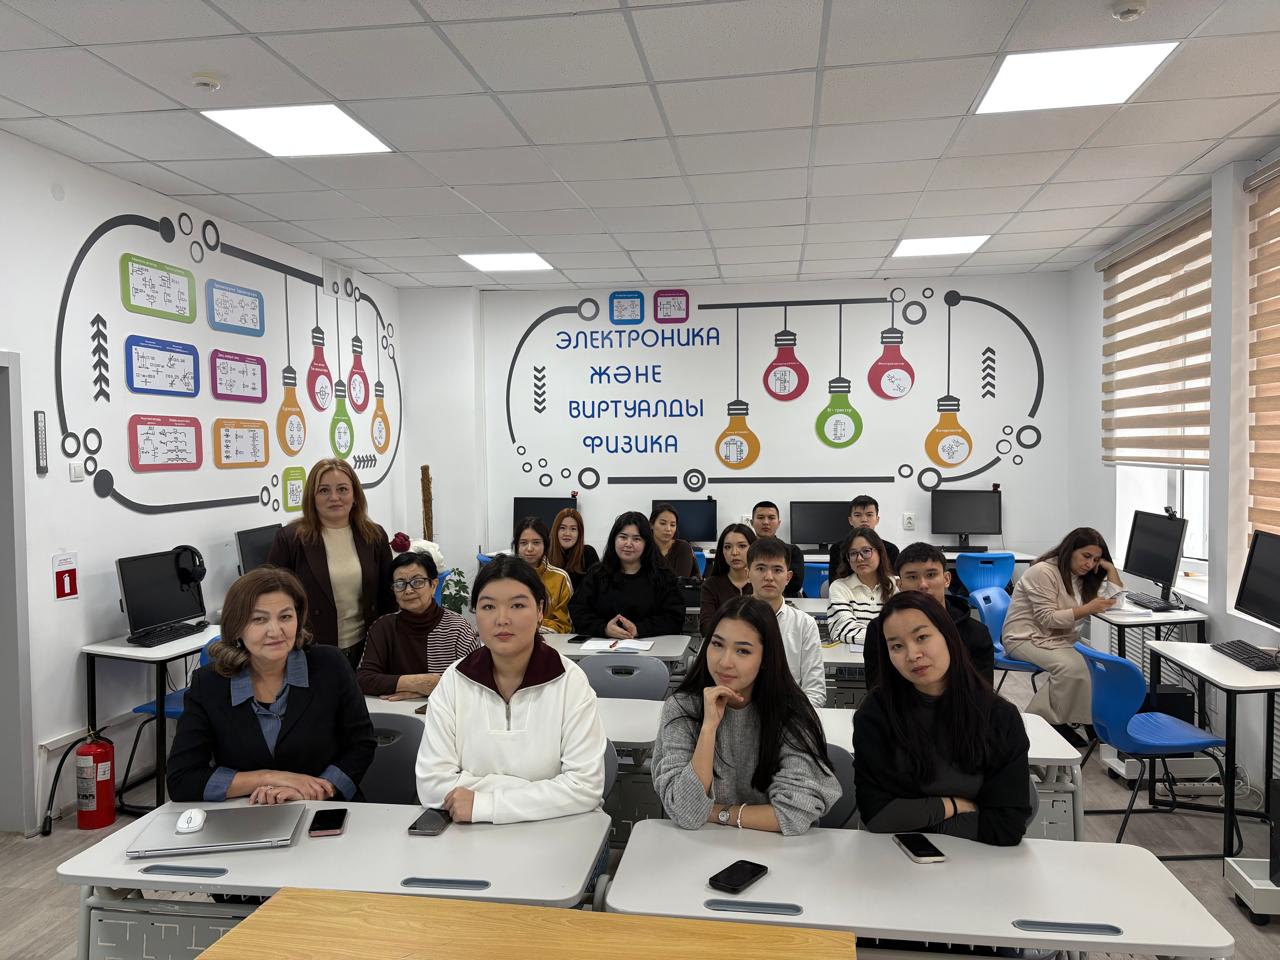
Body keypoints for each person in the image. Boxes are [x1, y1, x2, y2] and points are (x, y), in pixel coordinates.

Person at [416, 555, 606, 823]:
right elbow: (431, 784)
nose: (502, 619)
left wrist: (485, 803)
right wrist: (546, 791)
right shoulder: (455, 680)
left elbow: (585, 787)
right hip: (470, 837)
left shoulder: (569, 681)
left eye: (517, 605)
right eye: (488, 606)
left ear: (540, 611)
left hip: (556, 833)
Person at [167, 567, 376, 804]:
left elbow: (361, 744)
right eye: (259, 619)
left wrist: (317, 789)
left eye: (285, 617)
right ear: (236, 627)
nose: (275, 631)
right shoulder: (209, 684)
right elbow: (182, 779)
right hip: (249, 813)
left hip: (325, 808)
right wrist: (270, 778)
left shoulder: (329, 664)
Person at [652, 596, 841, 835]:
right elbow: (685, 810)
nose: (725, 662)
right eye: (717, 644)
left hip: (776, 848)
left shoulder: (792, 712)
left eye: (743, 651)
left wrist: (718, 813)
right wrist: (708, 728)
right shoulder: (682, 707)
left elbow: (795, 812)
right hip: (702, 846)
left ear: (765, 659)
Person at [854, 591, 1031, 846]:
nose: (912, 654)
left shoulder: (999, 717)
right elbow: (878, 816)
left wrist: (918, 818)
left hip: (980, 860)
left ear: (948, 635)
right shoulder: (875, 714)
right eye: (896, 646)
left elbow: (1007, 826)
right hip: (896, 857)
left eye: (922, 637)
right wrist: (952, 806)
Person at [266, 457, 394, 668]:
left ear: (355, 495)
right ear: (312, 497)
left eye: (342, 489)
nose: (334, 497)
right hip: (312, 649)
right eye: (324, 490)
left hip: (366, 647)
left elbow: (387, 596)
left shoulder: (374, 535)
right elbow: (272, 597)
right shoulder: (290, 539)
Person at [1003, 527, 1122, 745]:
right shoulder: (1043, 572)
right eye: (1086, 556)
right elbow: (1047, 618)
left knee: (1098, 665)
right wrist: (1088, 608)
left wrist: (1110, 568)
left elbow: (1116, 603)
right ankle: (1043, 722)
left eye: (1096, 560)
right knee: (1074, 668)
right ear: (1070, 550)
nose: (1089, 564)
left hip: (1058, 639)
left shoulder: (1082, 577)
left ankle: (1089, 720)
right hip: (1024, 637)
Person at [862, 541, 995, 689]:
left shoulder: (976, 633)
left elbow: (982, 694)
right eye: (912, 577)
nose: (923, 585)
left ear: (946, 579)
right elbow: (877, 691)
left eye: (931, 575)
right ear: (900, 585)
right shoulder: (879, 630)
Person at [356, 549, 480, 700]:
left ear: (433, 585)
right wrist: (418, 683)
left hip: (447, 709)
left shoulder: (458, 628)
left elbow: (476, 682)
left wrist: (427, 691)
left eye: (417, 582)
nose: (408, 590)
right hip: (395, 711)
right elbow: (363, 679)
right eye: (400, 584)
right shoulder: (383, 627)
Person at [569, 511, 685, 639]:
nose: (628, 544)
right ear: (614, 539)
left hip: (650, 646)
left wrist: (639, 629)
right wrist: (604, 628)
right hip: (601, 645)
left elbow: (675, 618)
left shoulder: (663, 576)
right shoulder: (597, 574)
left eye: (636, 539)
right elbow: (578, 610)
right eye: (623, 537)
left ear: (647, 543)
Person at [747, 538, 827, 707]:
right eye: (760, 568)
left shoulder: (805, 624)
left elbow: (815, 693)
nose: (769, 577)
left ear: (788, 577)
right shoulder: (730, 620)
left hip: (790, 714)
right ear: (748, 574)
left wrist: (792, 718)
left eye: (777, 570)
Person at [826, 526, 896, 647]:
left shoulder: (895, 586)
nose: (859, 558)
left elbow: (905, 627)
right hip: (849, 658)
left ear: (880, 553)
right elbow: (843, 629)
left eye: (866, 551)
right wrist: (890, 639)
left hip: (891, 657)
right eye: (853, 553)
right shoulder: (839, 587)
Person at [513, 516, 573, 633]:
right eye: (523, 543)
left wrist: (529, 625)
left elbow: (564, 625)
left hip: (551, 640)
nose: (529, 548)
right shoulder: (507, 578)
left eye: (536, 542)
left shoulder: (561, 578)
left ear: (545, 544)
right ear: (517, 546)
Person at [826, 495, 900, 585]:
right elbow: (834, 583)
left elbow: (895, 584)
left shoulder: (891, 549)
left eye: (869, 515)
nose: (864, 520)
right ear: (850, 520)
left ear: (877, 519)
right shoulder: (838, 549)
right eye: (858, 515)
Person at [698, 523, 756, 636]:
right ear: (722, 551)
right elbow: (706, 627)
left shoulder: (761, 582)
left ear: (753, 548)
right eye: (728, 547)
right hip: (722, 645)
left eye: (742, 546)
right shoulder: (711, 584)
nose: (734, 552)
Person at [750, 500, 805, 598]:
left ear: (778, 523)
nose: (766, 522)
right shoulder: (745, 549)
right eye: (760, 517)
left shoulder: (792, 551)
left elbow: (794, 586)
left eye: (771, 518)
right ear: (752, 522)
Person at [548, 507, 600, 593]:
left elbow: (597, 590)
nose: (567, 533)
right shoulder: (545, 554)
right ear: (555, 530)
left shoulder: (588, 553)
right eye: (562, 528)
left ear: (579, 533)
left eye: (573, 529)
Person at [650, 502, 698, 578]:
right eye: (663, 523)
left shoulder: (683, 547)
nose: (668, 529)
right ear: (651, 524)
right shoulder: (644, 547)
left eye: (672, 525)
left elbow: (680, 581)